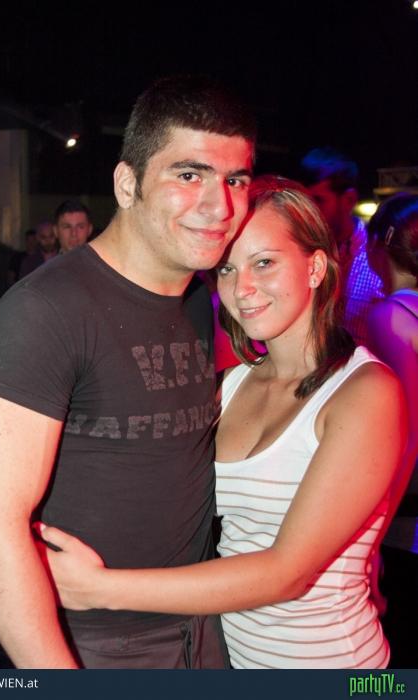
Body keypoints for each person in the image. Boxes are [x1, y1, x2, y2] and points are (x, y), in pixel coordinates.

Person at [41, 177, 406, 669]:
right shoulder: (231, 385)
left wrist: (101, 588)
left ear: (316, 267)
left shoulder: (365, 393)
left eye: (264, 262)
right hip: (232, 659)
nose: (242, 288)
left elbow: (287, 573)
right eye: (228, 268)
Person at [0, 75, 256, 669]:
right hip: (96, 643)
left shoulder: (204, 300)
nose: (218, 205)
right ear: (127, 184)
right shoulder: (47, 309)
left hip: (205, 626)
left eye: (235, 180)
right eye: (189, 174)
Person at [366, 193, 418, 668]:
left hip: (408, 519)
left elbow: (406, 434)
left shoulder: (391, 317)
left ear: (379, 246)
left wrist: (373, 536)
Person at [300, 147, 383, 345]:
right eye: (305, 201)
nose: (309, 211)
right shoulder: (300, 252)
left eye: (318, 200)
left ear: (349, 200)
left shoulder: (379, 255)